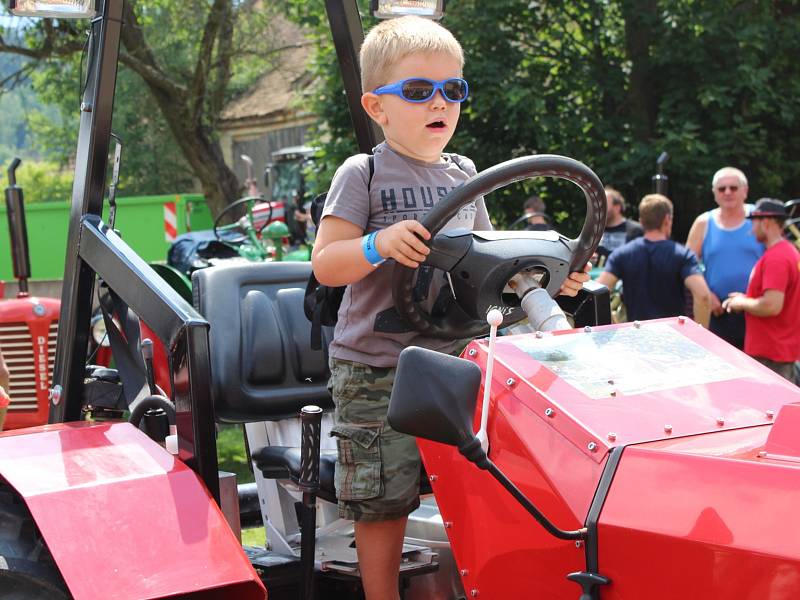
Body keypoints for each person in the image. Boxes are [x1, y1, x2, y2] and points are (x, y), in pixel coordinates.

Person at [311, 16, 589, 600]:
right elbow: (326, 263)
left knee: (482, 479)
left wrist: (545, 279)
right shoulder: (363, 173)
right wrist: (376, 243)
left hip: (458, 359)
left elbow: (493, 262)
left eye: (452, 90)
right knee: (382, 495)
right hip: (376, 366)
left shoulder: (466, 176)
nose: (440, 101)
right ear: (376, 107)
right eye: (418, 91)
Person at [597, 194, 711, 322]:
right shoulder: (683, 254)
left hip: (637, 333)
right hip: (674, 335)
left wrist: (614, 325)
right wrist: (700, 332)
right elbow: (703, 296)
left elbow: (598, 293)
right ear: (667, 219)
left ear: (641, 222)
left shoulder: (621, 254)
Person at [722, 198, 800, 381]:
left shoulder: (776, 258)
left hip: (771, 356)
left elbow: (772, 305)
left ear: (766, 222)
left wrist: (742, 302)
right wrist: (748, 297)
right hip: (778, 353)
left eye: (754, 222)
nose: (751, 228)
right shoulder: (786, 252)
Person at [686, 167, 764, 349]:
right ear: (714, 194)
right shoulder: (703, 223)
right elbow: (688, 263)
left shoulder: (759, 218)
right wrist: (705, 292)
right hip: (718, 310)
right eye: (722, 189)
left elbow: (778, 257)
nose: (727, 192)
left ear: (745, 191)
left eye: (733, 188)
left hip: (756, 309)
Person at [597, 187, 644, 260]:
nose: (600, 207)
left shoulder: (636, 230)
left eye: (604, 204)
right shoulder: (595, 230)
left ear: (617, 207)